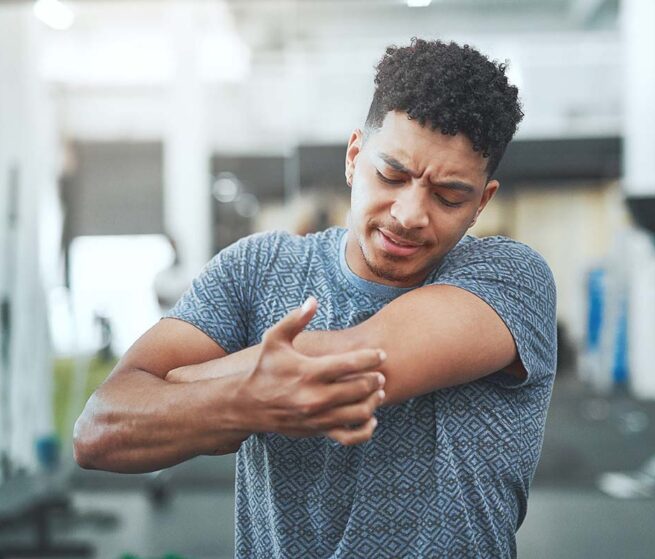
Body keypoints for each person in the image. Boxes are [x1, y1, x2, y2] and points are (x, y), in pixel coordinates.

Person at [73, 38, 556, 558]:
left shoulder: (511, 277)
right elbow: (100, 430)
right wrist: (246, 398)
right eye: (391, 174)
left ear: (482, 201)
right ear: (354, 158)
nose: (410, 214)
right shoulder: (255, 269)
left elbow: (354, 369)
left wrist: (186, 387)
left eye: (448, 196)